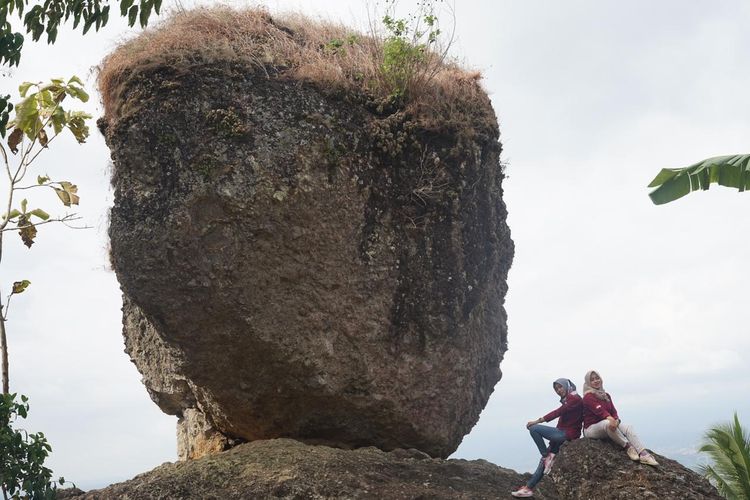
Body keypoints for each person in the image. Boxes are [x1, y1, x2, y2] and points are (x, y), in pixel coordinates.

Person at [511, 378, 583, 498]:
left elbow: (557, 412)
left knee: (534, 429)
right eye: (556, 389)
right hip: (563, 433)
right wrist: (553, 441)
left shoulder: (574, 398)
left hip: (568, 434)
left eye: (560, 387)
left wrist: (537, 421)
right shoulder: (568, 400)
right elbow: (562, 421)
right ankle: (528, 488)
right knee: (544, 461)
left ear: (566, 386)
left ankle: (546, 456)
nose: (558, 390)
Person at [581, 370, 658, 466]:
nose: (596, 381)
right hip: (591, 429)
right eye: (592, 380)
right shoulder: (588, 397)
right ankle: (628, 447)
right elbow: (599, 411)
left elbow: (613, 411)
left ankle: (643, 454)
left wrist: (616, 420)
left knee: (627, 427)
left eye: (597, 378)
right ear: (588, 383)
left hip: (607, 424)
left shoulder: (606, 395)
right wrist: (610, 419)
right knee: (608, 424)